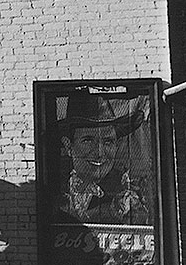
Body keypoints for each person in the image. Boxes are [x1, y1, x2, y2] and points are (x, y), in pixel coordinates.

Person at [57, 90, 150, 225]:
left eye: (108, 142)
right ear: (68, 146)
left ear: (116, 146)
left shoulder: (125, 193)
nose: (100, 152)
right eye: (88, 140)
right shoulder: (54, 184)